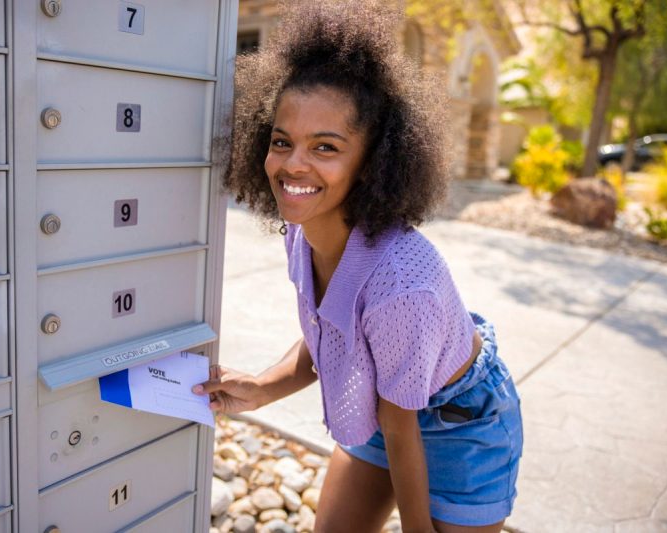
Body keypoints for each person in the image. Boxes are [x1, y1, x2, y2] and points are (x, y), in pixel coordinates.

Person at [193, 2, 523, 532]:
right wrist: (262, 386)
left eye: (326, 147)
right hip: (389, 404)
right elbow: (335, 329)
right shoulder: (303, 231)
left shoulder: (402, 286)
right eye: (282, 141)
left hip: (461, 420)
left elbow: (401, 425)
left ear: (372, 162)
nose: (294, 164)